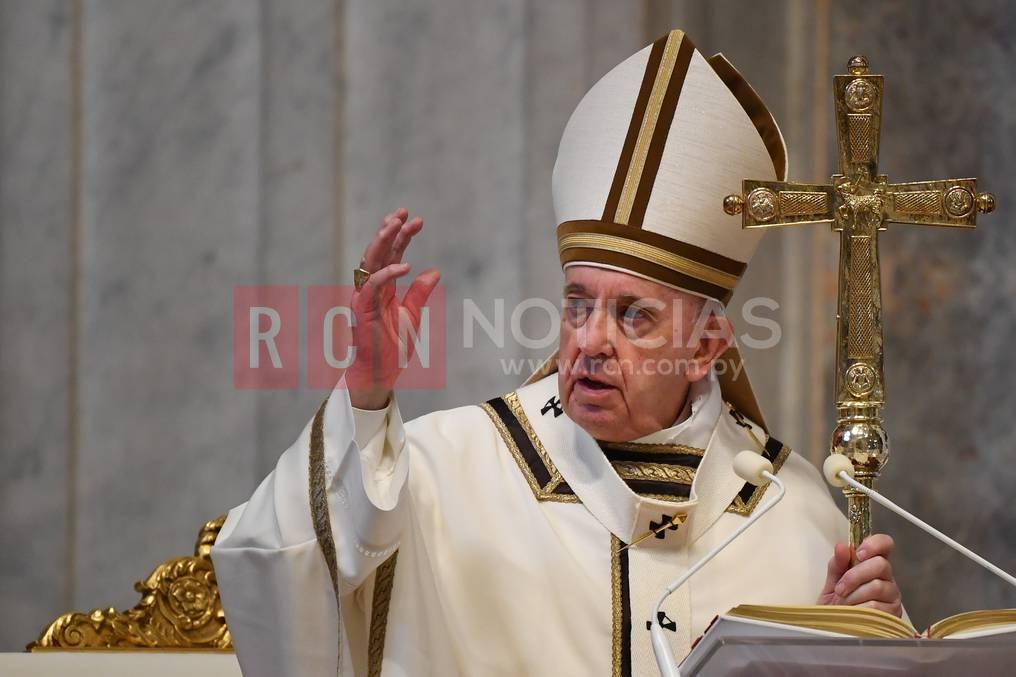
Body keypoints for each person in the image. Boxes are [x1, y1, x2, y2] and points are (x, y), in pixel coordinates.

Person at [211, 29, 902, 677]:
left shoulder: (797, 511)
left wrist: (851, 645)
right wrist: (363, 393)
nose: (590, 340)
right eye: (578, 303)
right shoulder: (438, 473)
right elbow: (271, 569)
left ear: (705, 348)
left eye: (633, 314)